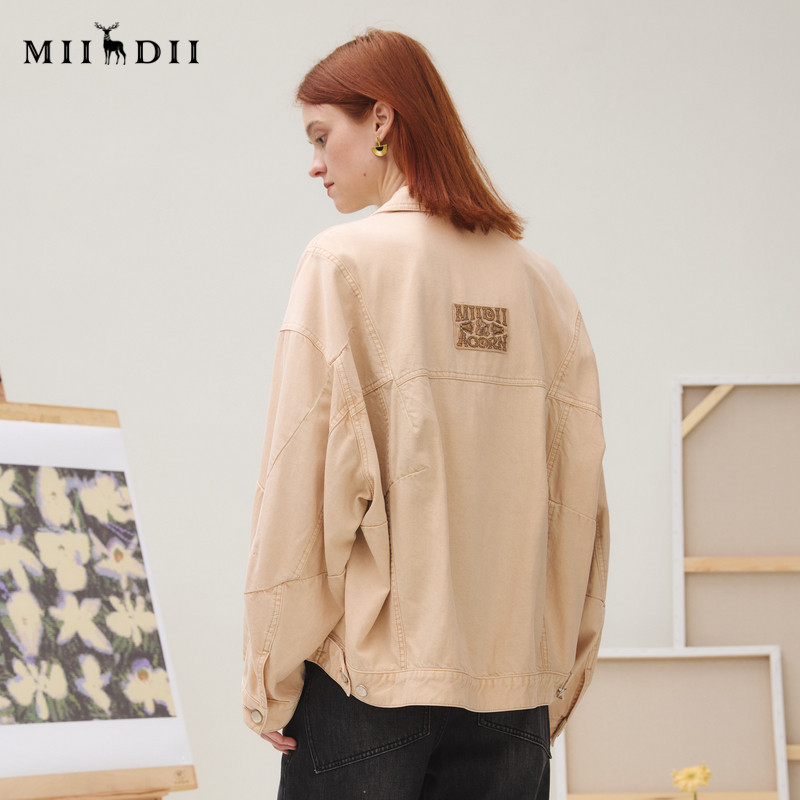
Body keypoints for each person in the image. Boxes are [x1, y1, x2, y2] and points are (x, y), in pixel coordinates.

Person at [242, 29, 609, 799]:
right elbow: (579, 509)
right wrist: (559, 678)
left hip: (370, 692)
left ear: (381, 119)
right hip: (513, 695)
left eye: (322, 136)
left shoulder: (341, 264)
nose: (314, 163)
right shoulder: (544, 288)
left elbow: (302, 489)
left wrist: (267, 675)